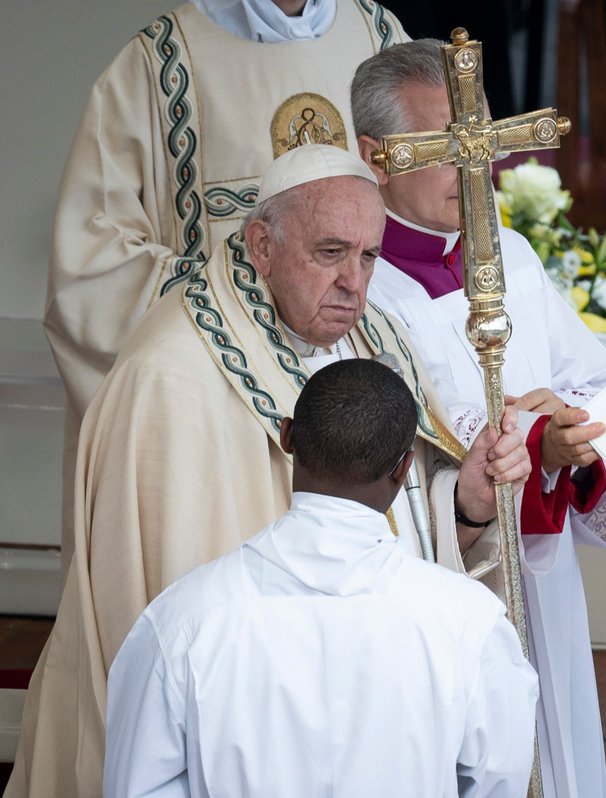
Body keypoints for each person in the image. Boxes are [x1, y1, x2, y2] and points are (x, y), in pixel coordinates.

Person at [6, 144, 553, 798]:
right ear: (261, 246)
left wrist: (465, 504)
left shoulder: (377, 340)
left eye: (369, 256)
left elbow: (409, 527)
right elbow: (150, 633)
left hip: (384, 720)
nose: (355, 282)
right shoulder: (171, 376)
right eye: (330, 253)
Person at [350, 40, 606, 797]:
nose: (477, 165)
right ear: (377, 158)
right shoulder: (360, 287)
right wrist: (523, 434)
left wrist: (569, 428)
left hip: (542, 574)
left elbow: (590, 383)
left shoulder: (510, 253)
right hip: (447, 570)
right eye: (447, 147)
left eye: (482, 138)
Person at [44, 0, 407, 568]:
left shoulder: (378, 35)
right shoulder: (161, 62)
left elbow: (416, 204)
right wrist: (239, 306)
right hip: (217, 400)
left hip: (351, 362)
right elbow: (92, 262)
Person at [104, 358, 539, 796]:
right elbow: (499, 781)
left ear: (287, 436)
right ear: (403, 468)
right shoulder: (471, 624)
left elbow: (138, 786)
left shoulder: (183, 620)